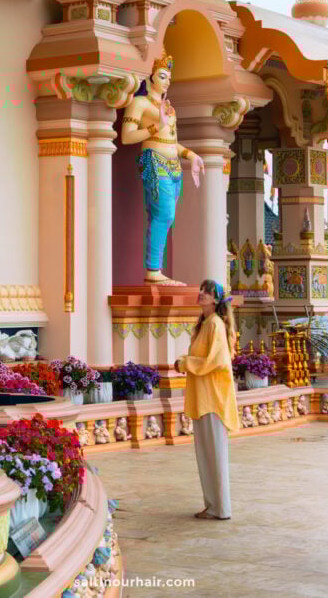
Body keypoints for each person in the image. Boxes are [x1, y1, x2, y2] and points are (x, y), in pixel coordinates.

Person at [121, 49, 204, 286]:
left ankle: (155, 270)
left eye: (169, 76)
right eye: (162, 75)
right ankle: (153, 271)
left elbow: (171, 142)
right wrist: (156, 126)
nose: (167, 81)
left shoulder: (168, 107)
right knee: (163, 214)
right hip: (154, 161)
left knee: (167, 218)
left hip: (173, 164)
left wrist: (191, 155)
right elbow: (127, 137)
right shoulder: (139, 103)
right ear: (149, 78)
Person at [175, 279, 239, 519]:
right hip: (203, 397)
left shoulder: (215, 325)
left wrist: (185, 363)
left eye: (206, 292)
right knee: (206, 454)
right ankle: (213, 506)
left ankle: (221, 507)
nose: (200, 294)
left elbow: (217, 361)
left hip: (213, 399)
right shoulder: (204, 324)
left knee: (215, 454)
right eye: (201, 290)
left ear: (216, 299)